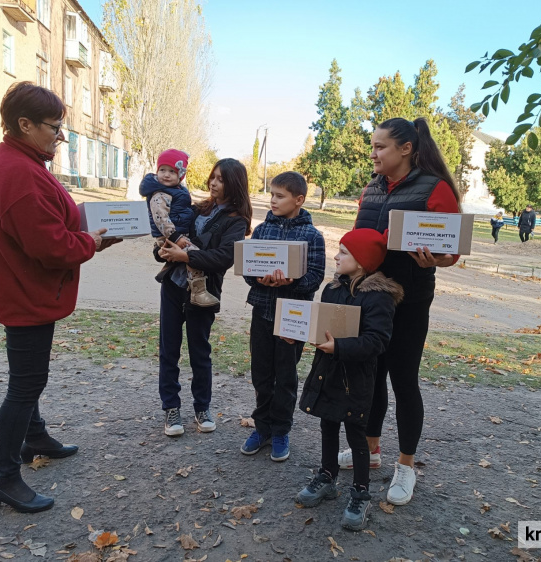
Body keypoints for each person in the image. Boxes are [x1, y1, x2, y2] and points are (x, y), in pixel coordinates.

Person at [0, 82, 120, 513]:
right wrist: (90, 244)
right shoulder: (18, 173)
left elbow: (50, 220)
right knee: (25, 384)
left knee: (28, 380)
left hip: (25, 289)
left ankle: (34, 437)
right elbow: (49, 246)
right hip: (25, 295)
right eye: (54, 127)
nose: (61, 135)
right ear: (24, 125)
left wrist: (91, 225)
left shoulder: (22, 160)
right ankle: (4, 479)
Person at [338, 117, 461, 506]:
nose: (373, 154)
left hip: (410, 301)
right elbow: (363, 238)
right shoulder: (371, 188)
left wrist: (434, 260)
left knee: (403, 381)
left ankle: (406, 465)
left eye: (380, 147)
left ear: (405, 149)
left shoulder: (435, 188)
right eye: (372, 146)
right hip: (371, 297)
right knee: (370, 376)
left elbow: (451, 250)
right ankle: (371, 450)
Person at [296, 229, 402, 531]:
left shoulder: (378, 298)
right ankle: (327, 476)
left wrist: (340, 347)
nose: (336, 256)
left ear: (362, 260)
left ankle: (360, 492)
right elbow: (321, 324)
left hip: (356, 379)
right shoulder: (333, 289)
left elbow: (377, 341)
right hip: (328, 371)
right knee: (327, 423)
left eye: (343, 252)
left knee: (356, 433)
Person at [156, 158, 252, 436]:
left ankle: (202, 407)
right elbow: (169, 235)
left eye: (221, 179)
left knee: (200, 352)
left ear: (234, 184)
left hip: (204, 294)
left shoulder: (237, 221)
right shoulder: (196, 207)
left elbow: (224, 257)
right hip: (173, 287)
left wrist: (185, 255)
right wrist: (162, 250)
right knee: (168, 351)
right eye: (213, 177)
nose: (213, 182)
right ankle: (171, 409)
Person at [240, 171, 325, 462]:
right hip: (262, 311)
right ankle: (261, 427)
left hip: (293, 316)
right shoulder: (262, 230)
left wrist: (292, 282)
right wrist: (260, 280)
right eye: (272, 195)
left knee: (285, 376)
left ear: (298, 200)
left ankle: (280, 431)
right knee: (261, 374)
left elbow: (315, 277)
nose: (272, 200)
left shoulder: (313, 236)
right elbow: (249, 269)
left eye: (280, 196)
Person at [139, 149, 218, 307]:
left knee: (190, 255)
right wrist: (175, 237)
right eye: (162, 170)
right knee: (194, 254)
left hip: (177, 234)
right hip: (169, 236)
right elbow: (160, 218)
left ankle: (194, 289)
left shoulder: (178, 191)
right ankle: (198, 292)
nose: (166, 175)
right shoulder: (159, 194)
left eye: (172, 171)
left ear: (180, 175)